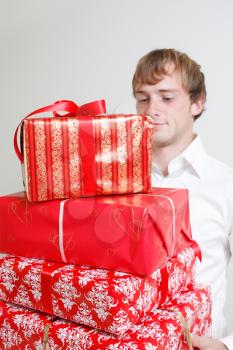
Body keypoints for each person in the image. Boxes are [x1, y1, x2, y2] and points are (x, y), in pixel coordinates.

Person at [132, 48, 233, 350]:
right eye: (143, 97)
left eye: (166, 97)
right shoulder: (113, 186)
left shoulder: (226, 185)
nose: (152, 110)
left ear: (197, 103)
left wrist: (228, 346)